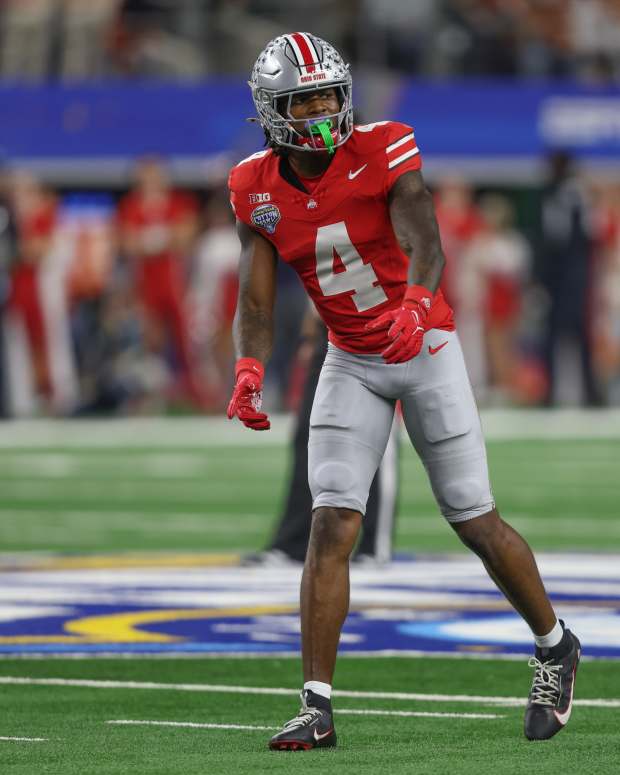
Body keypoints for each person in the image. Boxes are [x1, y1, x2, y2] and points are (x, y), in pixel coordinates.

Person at [226, 32, 580, 749]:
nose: (326, 106)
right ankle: (316, 705)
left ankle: (554, 644)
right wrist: (248, 369)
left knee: (474, 518)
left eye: (330, 91)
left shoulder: (385, 145)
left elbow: (425, 236)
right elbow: (256, 299)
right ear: (273, 111)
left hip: (425, 345)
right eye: (308, 98)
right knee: (330, 524)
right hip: (350, 356)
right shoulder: (253, 186)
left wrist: (417, 302)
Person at [243, 315, 399, 567]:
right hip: (332, 327)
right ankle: (294, 542)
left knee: (377, 430)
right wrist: (311, 331)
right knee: (309, 432)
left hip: (378, 324)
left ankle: (375, 545)